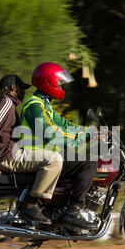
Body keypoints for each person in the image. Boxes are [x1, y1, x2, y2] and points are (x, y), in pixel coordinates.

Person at [18, 62, 98, 230]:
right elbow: (52, 133)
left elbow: (63, 124)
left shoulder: (44, 104)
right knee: (89, 163)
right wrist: (82, 137)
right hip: (35, 154)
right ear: (48, 82)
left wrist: (87, 131)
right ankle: (73, 212)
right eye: (59, 82)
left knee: (76, 158)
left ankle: (59, 207)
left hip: (44, 151)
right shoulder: (35, 106)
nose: (61, 86)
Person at [0, 75, 63, 224]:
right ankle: (30, 206)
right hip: (5, 157)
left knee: (53, 156)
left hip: (10, 153)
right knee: (54, 159)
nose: (24, 92)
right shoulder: (4, 105)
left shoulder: (9, 106)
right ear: (13, 88)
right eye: (22, 88)